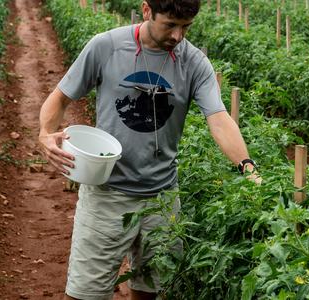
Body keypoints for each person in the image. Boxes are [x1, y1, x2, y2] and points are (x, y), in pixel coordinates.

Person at [39, 0, 259, 299]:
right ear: (146, 11)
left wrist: (246, 166)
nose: (178, 36)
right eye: (170, 25)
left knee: (152, 291)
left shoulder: (194, 62)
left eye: (186, 27)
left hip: (163, 197)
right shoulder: (106, 47)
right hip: (107, 194)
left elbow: (219, 118)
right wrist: (45, 133)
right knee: (85, 293)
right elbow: (61, 97)